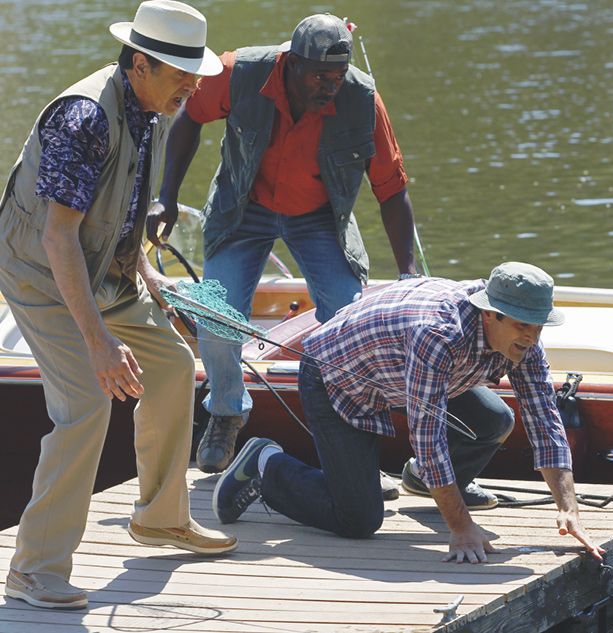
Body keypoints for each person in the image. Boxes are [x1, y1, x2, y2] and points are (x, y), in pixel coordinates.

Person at [0, 1, 238, 611]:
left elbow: (120, 219)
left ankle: (159, 518)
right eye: (181, 72)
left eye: (196, 72)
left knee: (173, 365)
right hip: (38, 272)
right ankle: (34, 570)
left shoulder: (154, 111)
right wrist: (100, 344)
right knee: (84, 402)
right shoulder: (83, 119)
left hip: (100, 269)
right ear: (138, 63)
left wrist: (152, 281)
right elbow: (59, 237)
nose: (193, 85)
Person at [148, 13, 421, 474]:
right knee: (217, 314)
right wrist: (167, 198)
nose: (330, 86)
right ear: (291, 63)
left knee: (351, 319)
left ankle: (353, 432)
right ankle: (226, 411)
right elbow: (190, 119)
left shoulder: (362, 99)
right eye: (319, 75)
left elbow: (392, 190)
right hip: (243, 207)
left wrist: (409, 274)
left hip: (319, 217)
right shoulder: (239, 72)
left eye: (337, 76)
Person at [212, 262, 606, 564]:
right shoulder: (439, 334)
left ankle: (421, 480)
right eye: (523, 326)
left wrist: (568, 508)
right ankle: (266, 466)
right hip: (339, 375)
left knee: (495, 421)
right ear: (490, 314)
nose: (531, 337)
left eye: (539, 327)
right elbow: (427, 432)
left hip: (405, 372)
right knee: (359, 520)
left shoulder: (524, 342)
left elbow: (544, 420)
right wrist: (461, 526)